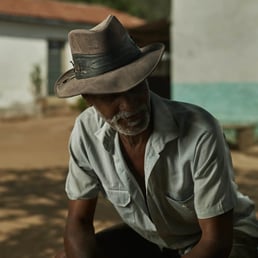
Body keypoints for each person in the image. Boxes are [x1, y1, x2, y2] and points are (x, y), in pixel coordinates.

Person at [54, 15, 258, 258]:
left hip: (226, 237)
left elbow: (216, 241)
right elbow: (78, 222)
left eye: (136, 86)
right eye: (112, 96)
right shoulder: (86, 133)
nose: (129, 106)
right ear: (89, 99)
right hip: (156, 239)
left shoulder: (200, 130)